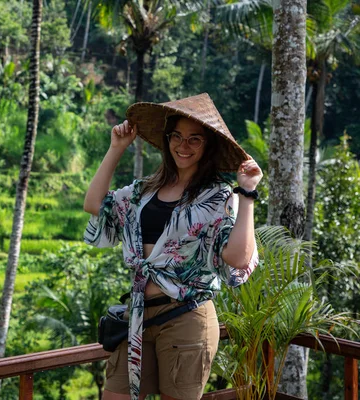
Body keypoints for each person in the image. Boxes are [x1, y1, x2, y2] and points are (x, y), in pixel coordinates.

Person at [83, 93, 262, 400]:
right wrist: (116, 149)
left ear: (207, 146)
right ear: (166, 140)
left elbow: (237, 257)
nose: (183, 145)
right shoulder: (146, 189)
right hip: (138, 314)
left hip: (186, 317)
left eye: (195, 139)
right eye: (177, 136)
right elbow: (95, 204)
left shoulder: (218, 196)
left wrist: (246, 194)